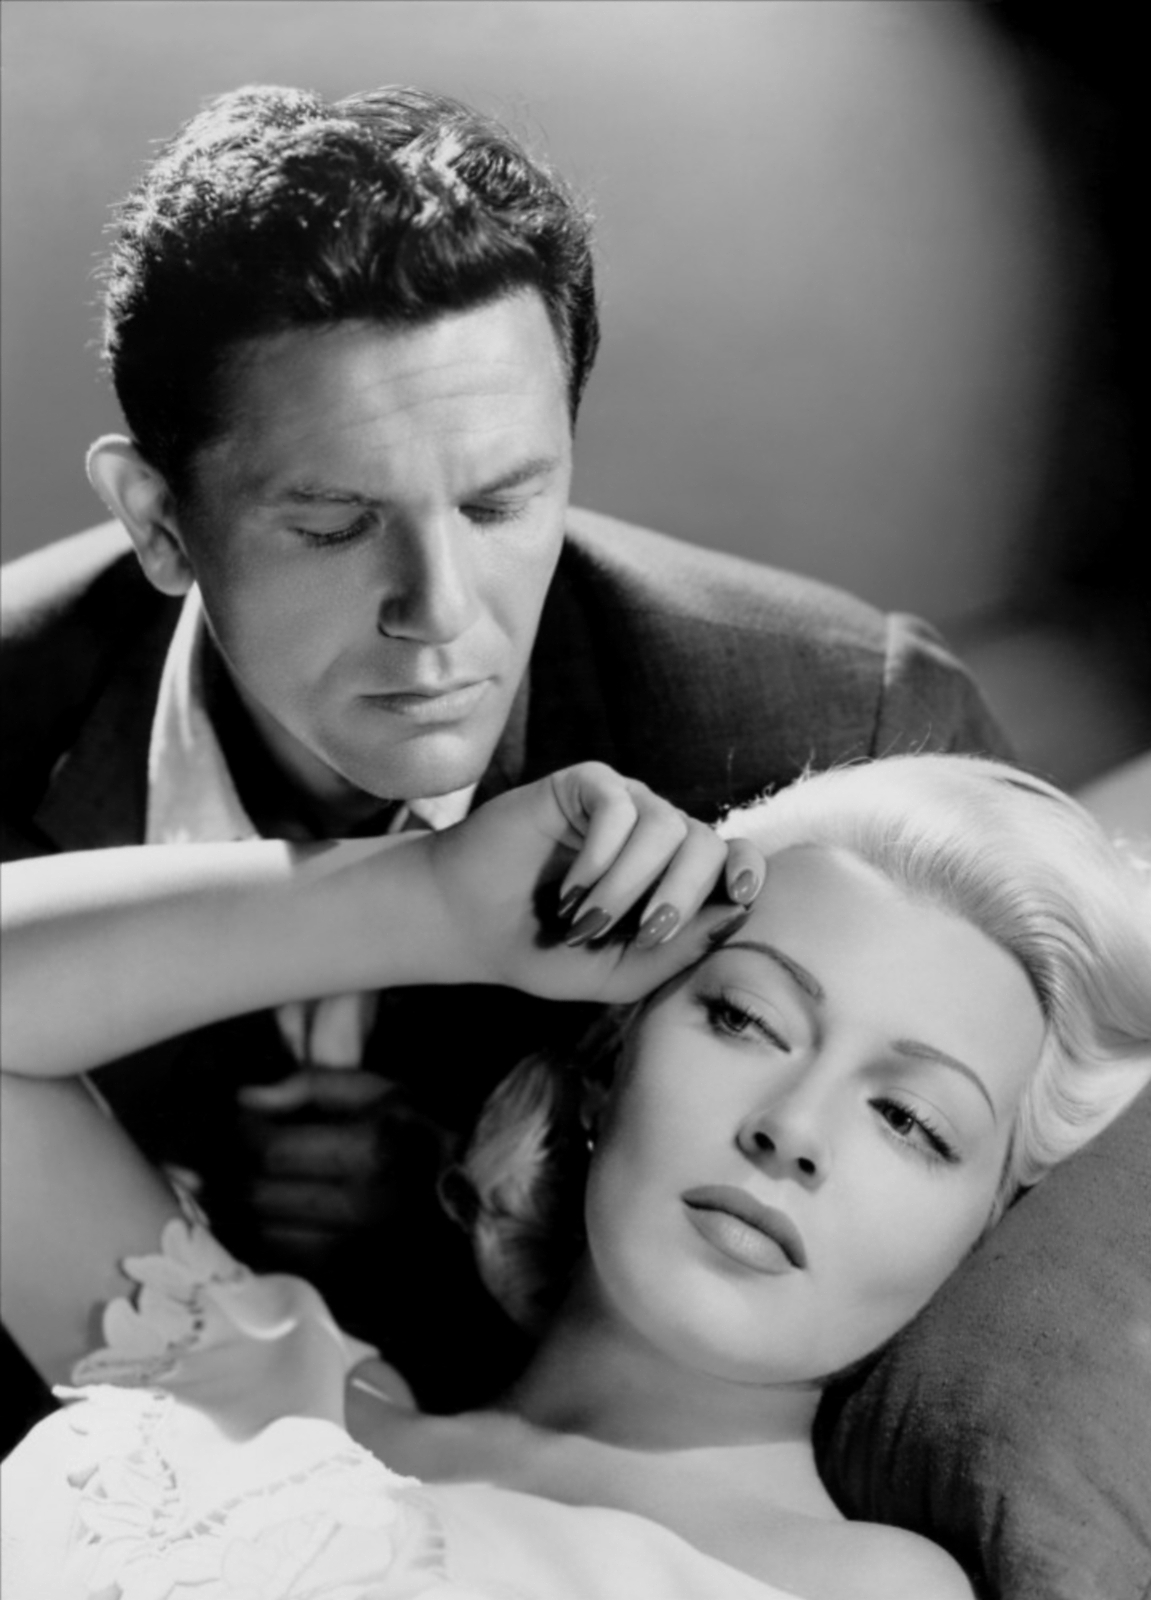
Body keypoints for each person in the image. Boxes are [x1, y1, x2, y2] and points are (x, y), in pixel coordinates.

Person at [0, 81, 1011, 1429]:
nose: (440, 610)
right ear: (158, 520)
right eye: (333, 523)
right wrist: (401, 910)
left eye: (499, 503)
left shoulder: (846, 730)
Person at [1, 755, 1151, 1599]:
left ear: (980, 1233)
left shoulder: (860, 1589)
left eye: (911, 1119)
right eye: (745, 1019)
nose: (793, 1129)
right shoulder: (252, 1385)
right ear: (606, 1061)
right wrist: (429, 901)